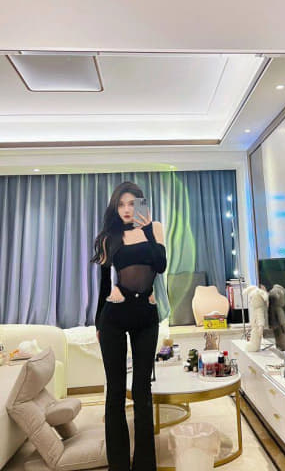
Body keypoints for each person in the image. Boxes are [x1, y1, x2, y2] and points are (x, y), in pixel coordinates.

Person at [90, 181, 167, 471]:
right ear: (115, 208)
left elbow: (161, 265)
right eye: (121, 204)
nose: (126, 209)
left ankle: (145, 465)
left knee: (142, 391)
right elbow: (102, 286)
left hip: (146, 317)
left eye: (132, 204)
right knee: (115, 393)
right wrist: (98, 323)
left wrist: (147, 231)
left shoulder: (154, 228)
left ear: (140, 205)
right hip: (114, 318)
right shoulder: (109, 238)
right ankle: (119, 465)